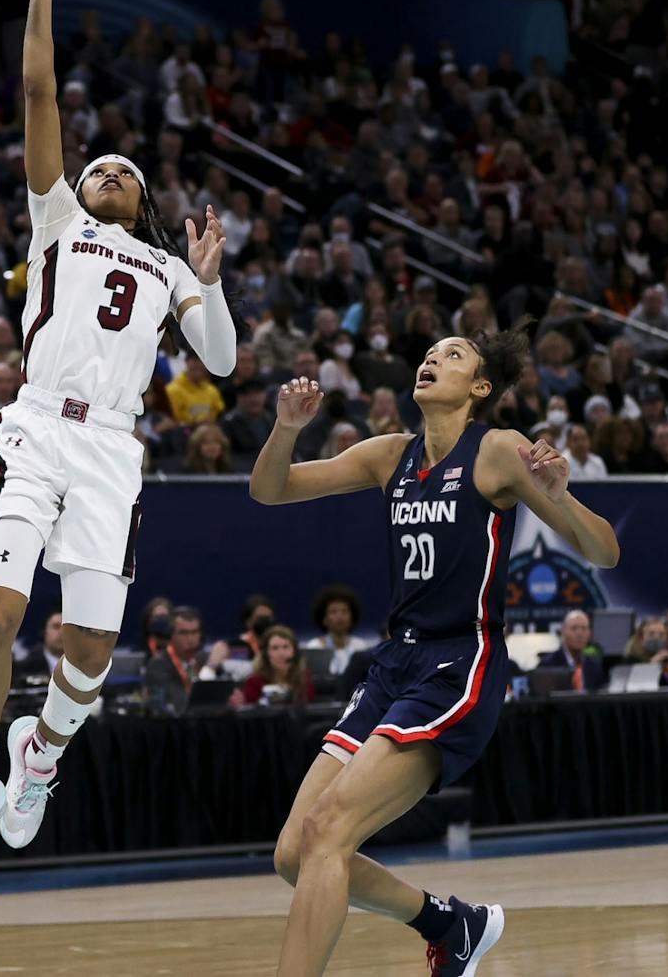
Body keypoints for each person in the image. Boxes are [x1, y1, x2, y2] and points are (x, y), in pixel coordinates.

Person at [0, 0, 238, 874]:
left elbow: (218, 362)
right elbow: (36, 89)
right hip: (33, 428)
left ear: (138, 202)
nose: (103, 171)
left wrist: (210, 278)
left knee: (94, 645)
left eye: (121, 172)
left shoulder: (163, 261)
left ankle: (40, 756)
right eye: (97, 164)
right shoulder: (54, 219)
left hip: (111, 446)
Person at [251, 330, 619, 977]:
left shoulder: (498, 451)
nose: (431, 359)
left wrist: (560, 495)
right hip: (395, 662)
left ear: (480, 387)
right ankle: (452, 924)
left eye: (453, 355)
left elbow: (604, 552)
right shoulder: (391, 454)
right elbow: (270, 489)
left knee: (330, 829)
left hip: (460, 662)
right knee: (293, 851)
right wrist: (286, 428)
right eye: (431, 352)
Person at [234, 625, 316, 706]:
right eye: (275, 648)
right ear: (266, 654)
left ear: (294, 652)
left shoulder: (304, 677)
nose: (281, 654)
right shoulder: (254, 682)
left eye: (286, 647)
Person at [302, 584, 375, 675]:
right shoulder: (314, 647)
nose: (340, 617)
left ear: (352, 617)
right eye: (333, 611)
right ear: (324, 619)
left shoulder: (360, 646)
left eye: (344, 611)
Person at [537, 609, 607, 691]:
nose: (579, 634)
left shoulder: (594, 666)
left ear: (590, 633)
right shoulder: (547, 666)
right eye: (574, 628)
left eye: (584, 628)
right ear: (563, 631)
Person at [39, 608, 64, 674]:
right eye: (56, 627)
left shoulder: (85, 666)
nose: (61, 632)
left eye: (66, 628)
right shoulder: (24, 665)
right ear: (44, 631)